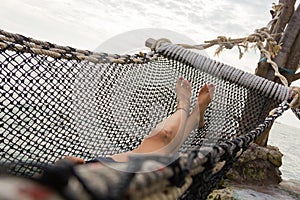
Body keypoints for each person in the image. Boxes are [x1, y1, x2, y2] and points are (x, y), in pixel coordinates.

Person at [60, 77, 215, 165]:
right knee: (163, 137)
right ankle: (186, 107)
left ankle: (195, 115)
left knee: (157, 146)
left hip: (98, 175)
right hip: (114, 184)